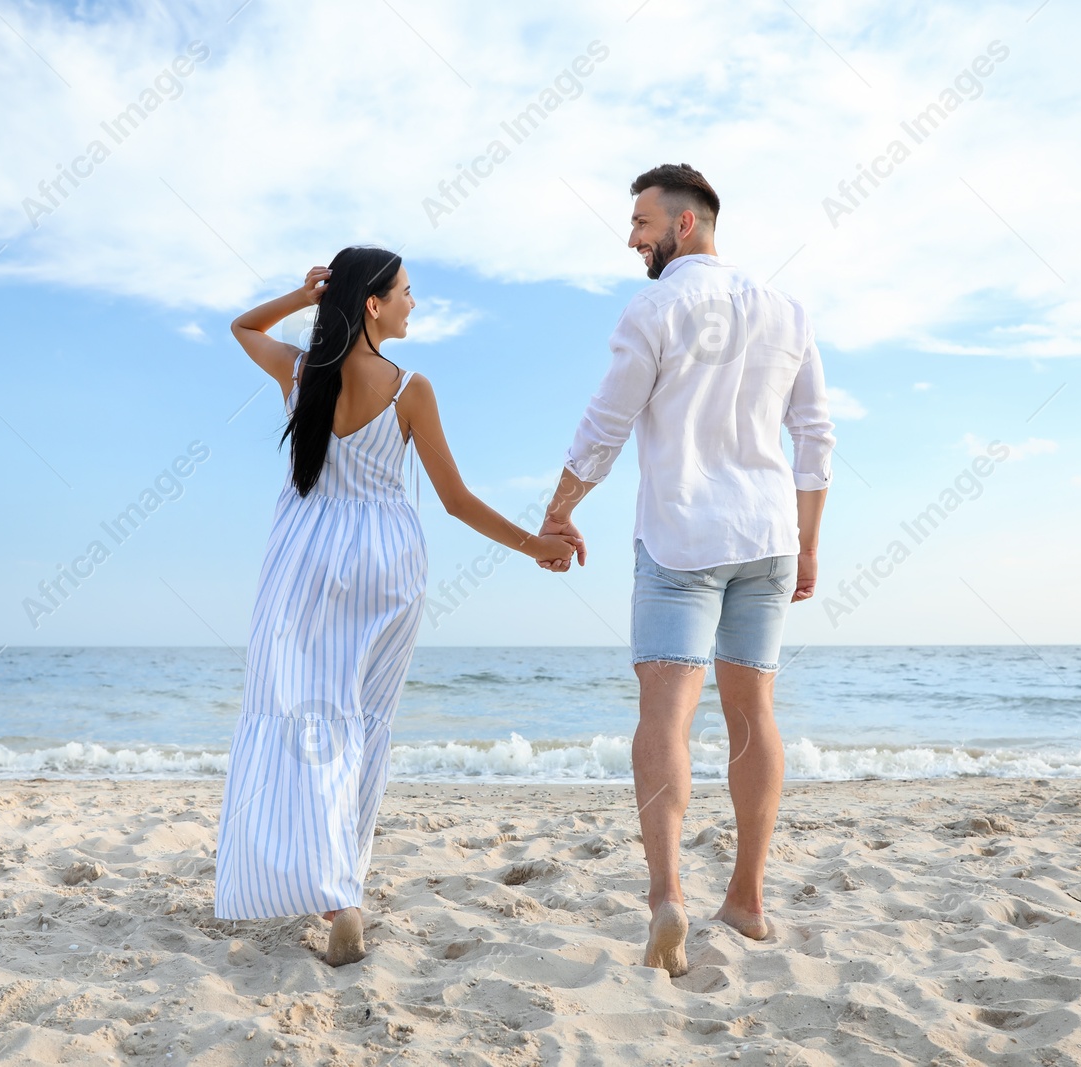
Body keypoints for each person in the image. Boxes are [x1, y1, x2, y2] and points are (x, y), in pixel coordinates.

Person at [216, 246, 577, 966]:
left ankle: (334, 892)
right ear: (375, 304)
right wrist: (534, 544)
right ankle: (341, 880)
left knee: (301, 715)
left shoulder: (303, 372)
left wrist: (301, 294)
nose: (416, 303)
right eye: (407, 292)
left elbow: (242, 328)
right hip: (387, 565)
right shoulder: (411, 387)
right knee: (362, 723)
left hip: (304, 559)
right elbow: (455, 500)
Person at [541, 164, 834, 977]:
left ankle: (666, 892)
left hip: (681, 539)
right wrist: (809, 543)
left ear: (684, 225)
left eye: (640, 222)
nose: (631, 237)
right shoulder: (787, 310)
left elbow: (606, 420)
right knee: (754, 714)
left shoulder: (657, 305)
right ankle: (746, 897)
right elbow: (816, 436)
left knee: (666, 716)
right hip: (770, 535)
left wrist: (560, 508)